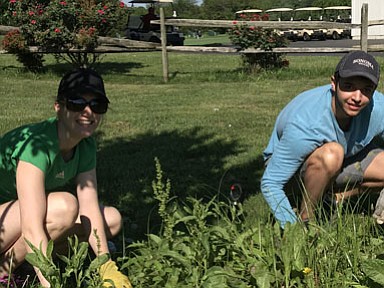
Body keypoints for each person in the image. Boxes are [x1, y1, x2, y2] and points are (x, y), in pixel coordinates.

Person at [0, 68, 132, 287]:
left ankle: (17, 265)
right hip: (5, 223)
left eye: (97, 105)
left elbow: (89, 207)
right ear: (58, 107)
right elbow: (32, 227)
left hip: (16, 218)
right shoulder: (37, 146)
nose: (88, 112)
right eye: (77, 103)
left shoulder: (86, 145)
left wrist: (105, 265)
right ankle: (6, 271)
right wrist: (52, 283)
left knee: (111, 219)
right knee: (64, 207)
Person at [261, 50, 384, 228]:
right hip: (294, 169)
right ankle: (306, 223)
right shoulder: (306, 123)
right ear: (334, 83)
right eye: (349, 86)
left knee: (337, 155)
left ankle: (331, 199)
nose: (357, 98)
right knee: (332, 154)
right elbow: (270, 183)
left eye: (366, 90)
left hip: (344, 159)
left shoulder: (377, 108)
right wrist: (290, 227)